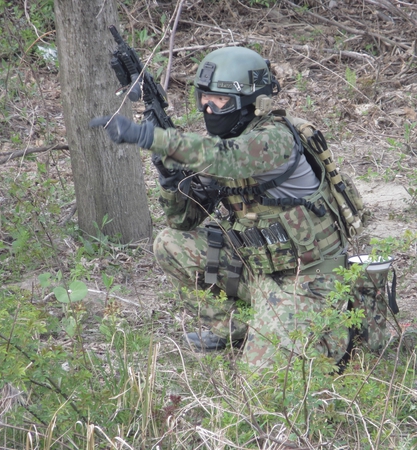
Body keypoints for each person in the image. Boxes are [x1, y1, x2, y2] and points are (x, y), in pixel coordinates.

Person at [91, 46, 361, 370]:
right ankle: (233, 326)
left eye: (219, 101)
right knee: (170, 244)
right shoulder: (223, 145)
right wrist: (168, 176)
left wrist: (154, 137)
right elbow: (184, 220)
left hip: (307, 279)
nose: (208, 108)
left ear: (249, 103)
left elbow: (227, 157)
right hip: (257, 268)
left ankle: (323, 328)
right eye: (203, 98)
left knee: (263, 385)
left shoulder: (274, 139)